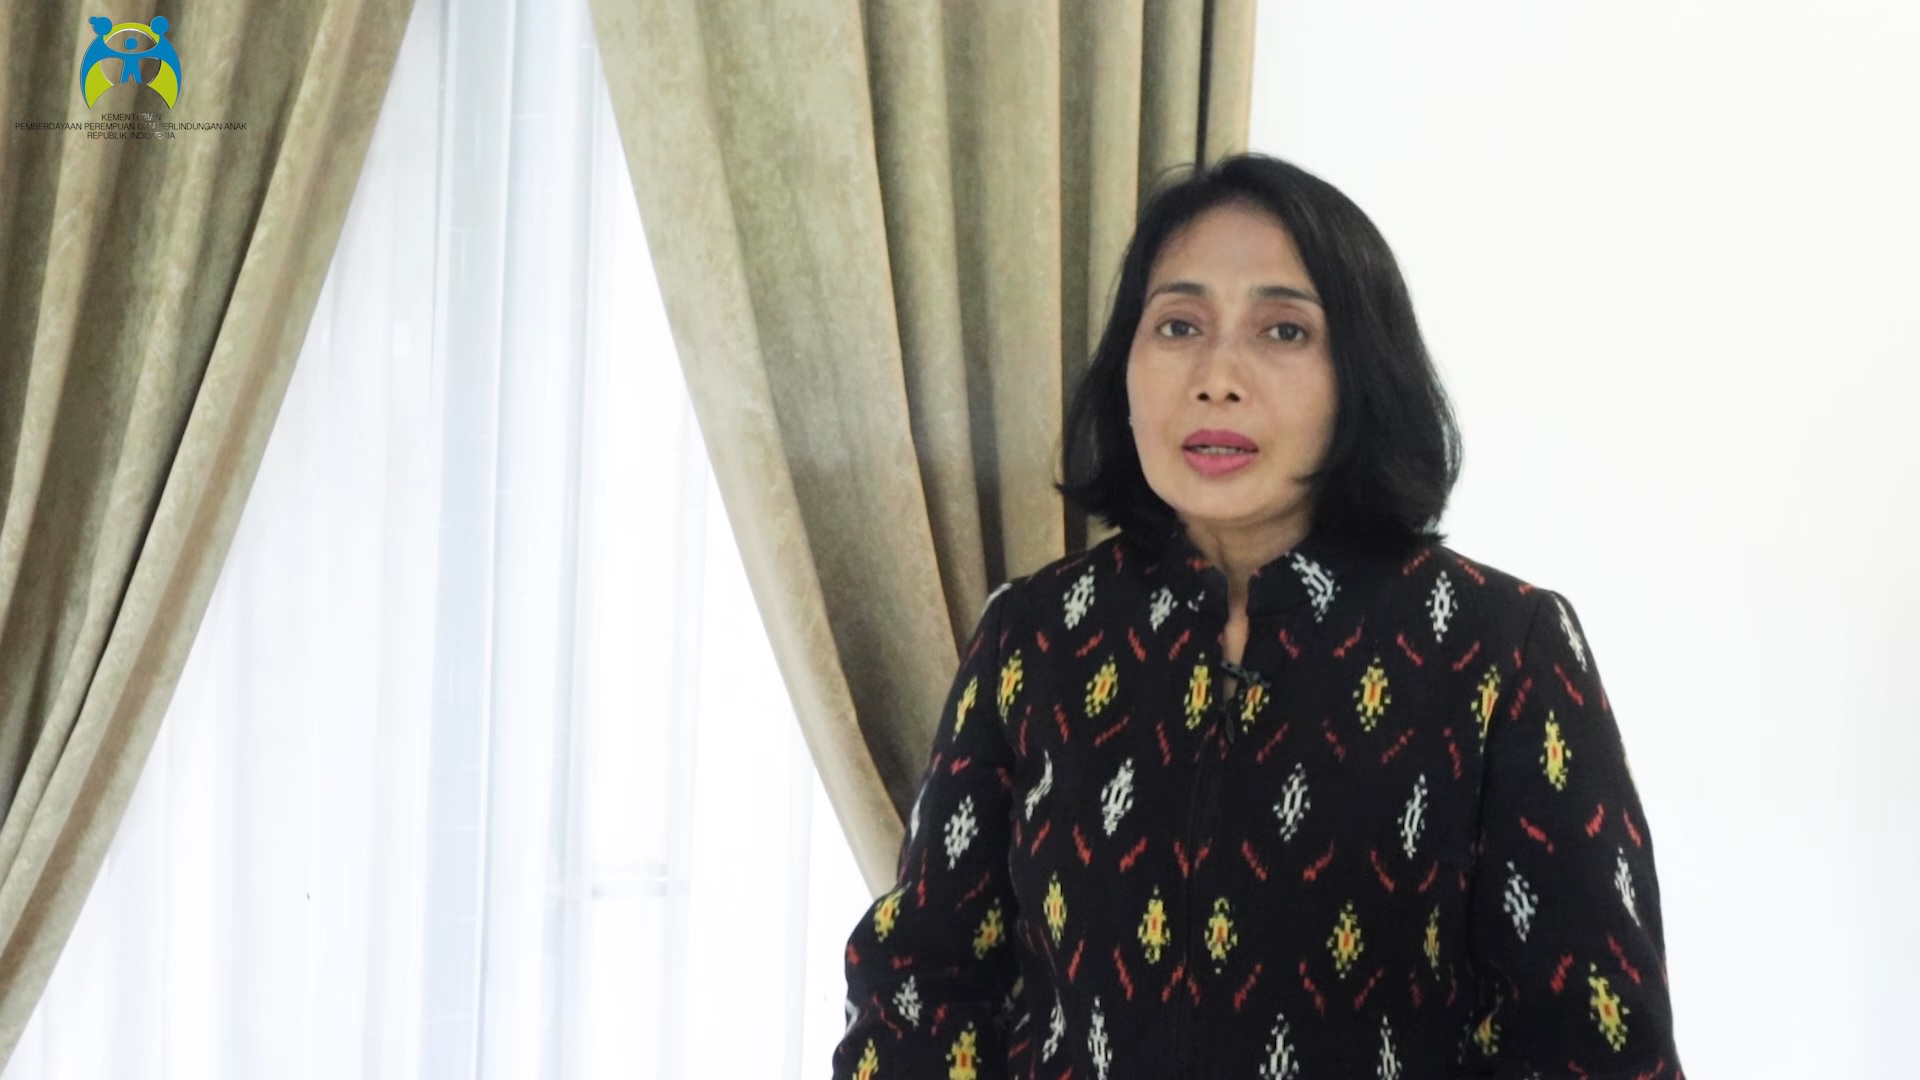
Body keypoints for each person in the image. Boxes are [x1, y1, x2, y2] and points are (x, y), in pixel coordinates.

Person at [831, 153, 1681, 1079]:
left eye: (1283, 330)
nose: (1217, 377)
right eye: (1179, 325)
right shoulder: (1034, 637)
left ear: (1362, 372)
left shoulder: (1500, 650)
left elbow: (1592, 1044)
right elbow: (921, 983)